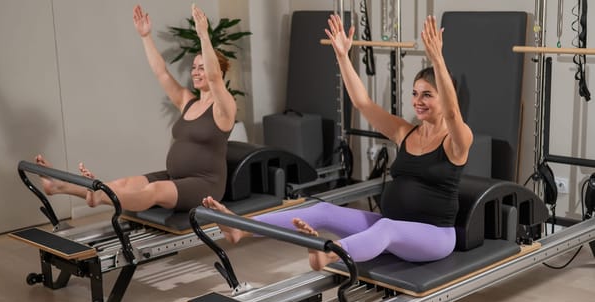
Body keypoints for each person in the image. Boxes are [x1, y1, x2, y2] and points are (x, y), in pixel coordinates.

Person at [202, 14, 473, 271]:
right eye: (415, 93)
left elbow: (452, 114)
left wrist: (437, 59)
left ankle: (329, 255)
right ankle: (240, 227)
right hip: (394, 224)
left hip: (435, 237)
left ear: (446, 98)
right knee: (323, 211)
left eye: (428, 95)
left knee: (386, 230)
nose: (418, 101)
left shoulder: (457, 140)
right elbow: (362, 103)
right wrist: (343, 56)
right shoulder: (405, 132)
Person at [35, 4, 236, 212]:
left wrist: (203, 35)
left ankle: (100, 199)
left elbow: (213, 79)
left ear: (219, 72)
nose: (195, 72)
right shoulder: (188, 101)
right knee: (124, 183)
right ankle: (59, 186)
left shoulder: (224, 107)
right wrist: (145, 36)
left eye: (202, 68)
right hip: (175, 177)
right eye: (194, 67)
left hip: (204, 184)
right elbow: (162, 73)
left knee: (154, 190)